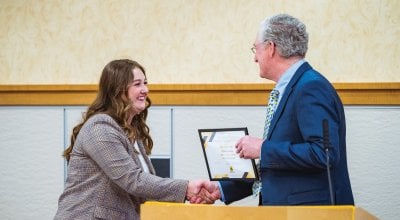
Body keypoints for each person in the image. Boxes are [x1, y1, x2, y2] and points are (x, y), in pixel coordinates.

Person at [198, 14, 354, 206]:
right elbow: (280, 165)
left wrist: (263, 148)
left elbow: (324, 153)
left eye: (256, 49)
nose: (255, 58)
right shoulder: (293, 87)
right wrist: (222, 189)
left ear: (271, 48)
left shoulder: (311, 87)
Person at [54, 59, 215, 219]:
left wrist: (189, 194)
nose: (145, 90)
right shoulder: (100, 128)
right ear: (117, 90)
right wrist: (186, 188)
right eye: (137, 84)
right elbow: (133, 180)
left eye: (145, 83)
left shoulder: (131, 133)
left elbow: (143, 190)